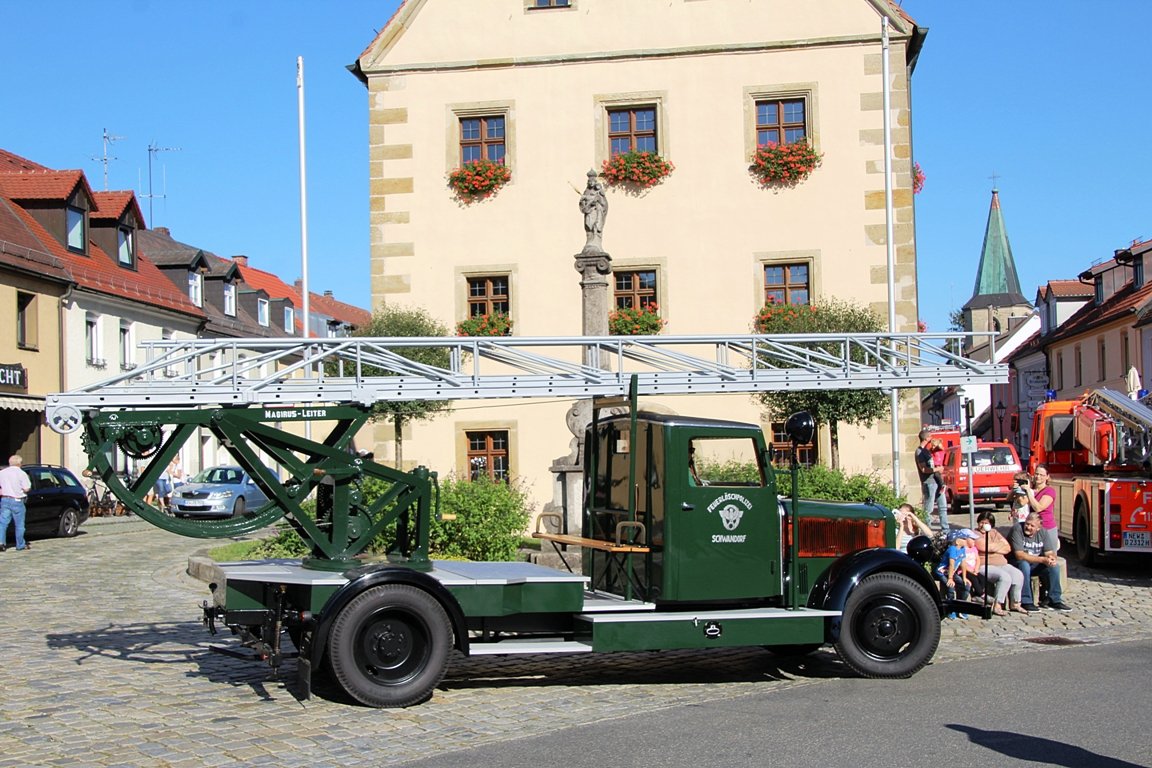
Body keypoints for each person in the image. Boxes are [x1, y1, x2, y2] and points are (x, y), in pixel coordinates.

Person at [1009, 511, 1072, 612]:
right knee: (1024, 565)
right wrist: (1042, 559)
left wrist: (1050, 559)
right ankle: (1026, 601)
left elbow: (1049, 552)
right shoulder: (1017, 529)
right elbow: (1019, 555)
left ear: (1038, 528)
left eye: (1032, 526)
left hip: (1034, 564)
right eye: (1027, 524)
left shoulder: (1043, 532)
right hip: (1017, 563)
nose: (1028, 527)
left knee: (1054, 566)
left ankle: (1054, 599)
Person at [972, 511, 1026, 615]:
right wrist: (997, 546)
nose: (983, 525)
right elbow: (984, 547)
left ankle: (1015, 603)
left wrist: (993, 548)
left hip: (1002, 563)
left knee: (1018, 574)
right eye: (981, 522)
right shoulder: (975, 534)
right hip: (984, 565)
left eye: (986, 523)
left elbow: (1007, 548)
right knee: (1005, 577)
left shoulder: (995, 533)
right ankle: (997, 604)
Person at [936, 529, 974, 618]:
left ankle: (961, 607)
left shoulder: (962, 549)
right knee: (951, 587)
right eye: (963, 539)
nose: (966, 540)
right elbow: (951, 564)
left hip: (952, 573)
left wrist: (964, 577)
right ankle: (950, 609)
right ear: (957, 541)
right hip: (943, 572)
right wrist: (950, 578)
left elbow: (963, 563)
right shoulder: (952, 549)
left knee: (966, 586)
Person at [916, 429, 949, 529]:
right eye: (930, 436)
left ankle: (945, 529)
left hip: (937, 481)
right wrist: (937, 469)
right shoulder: (919, 452)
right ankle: (927, 529)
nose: (931, 438)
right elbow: (923, 469)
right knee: (928, 509)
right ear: (926, 438)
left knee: (943, 507)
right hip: (929, 482)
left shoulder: (926, 451)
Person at [1023, 464, 1059, 554]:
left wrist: (1028, 491)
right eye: (1036, 474)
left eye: (1041, 475)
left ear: (1047, 477)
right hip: (1032, 528)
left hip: (1047, 528)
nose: (1038, 477)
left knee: (1050, 556)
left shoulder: (1050, 491)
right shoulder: (1032, 491)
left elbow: (1038, 508)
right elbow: (1021, 503)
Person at [0, 454, 33, 552]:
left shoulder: (2, 473)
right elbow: (27, 488)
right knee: (19, 525)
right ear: (19, 463)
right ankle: (20, 544)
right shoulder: (21, 474)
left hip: (5, 499)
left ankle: (1, 543)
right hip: (17, 500)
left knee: (2, 523)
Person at [578, 170, 608, 251]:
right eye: (589, 181)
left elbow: (604, 203)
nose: (591, 183)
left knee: (596, 225)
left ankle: (596, 242)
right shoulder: (586, 191)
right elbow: (582, 204)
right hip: (589, 212)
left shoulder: (598, 191)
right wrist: (583, 200)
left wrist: (597, 201)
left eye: (592, 181)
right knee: (588, 226)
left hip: (596, 211)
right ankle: (589, 242)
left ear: (595, 182)